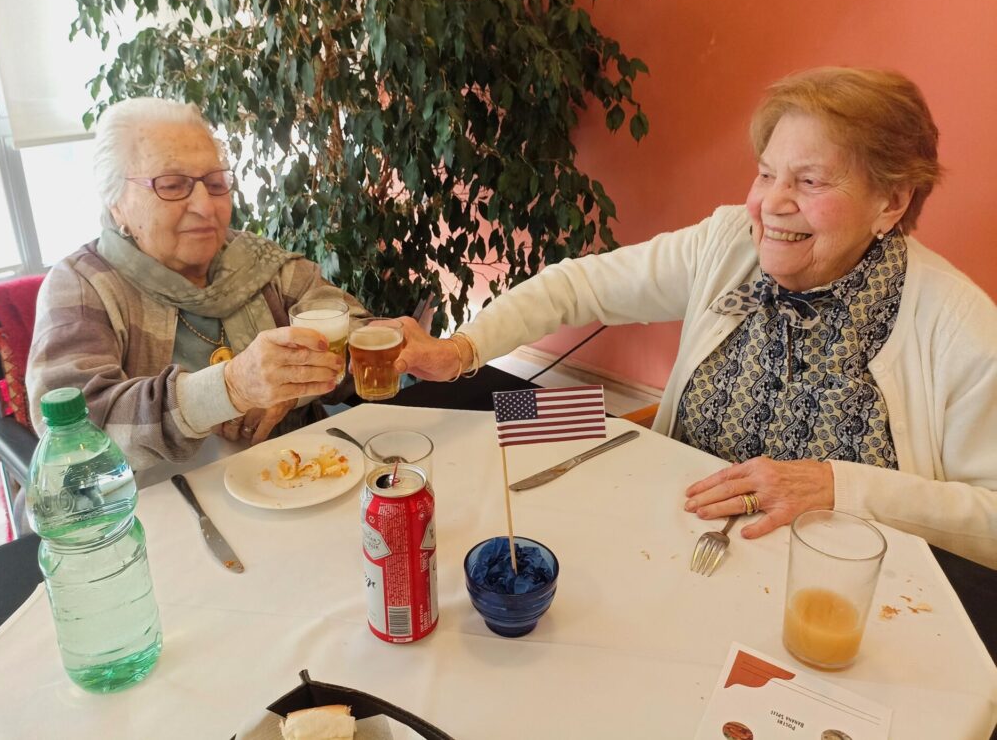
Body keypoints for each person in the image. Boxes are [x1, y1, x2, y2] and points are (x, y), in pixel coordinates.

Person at [396, 67, 997, 568]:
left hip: (832, 600)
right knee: (462, 420)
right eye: (766, 173)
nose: (771, 204)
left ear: (891, 202)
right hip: (663, 537)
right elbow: (579, 286)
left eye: (809, 181)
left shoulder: (959, 326)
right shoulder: (728, 241)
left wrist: (842, 487)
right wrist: (461, 351)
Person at [27, 98, 364, 477]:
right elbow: (79, 437)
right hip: (143, 515)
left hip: (293, 485)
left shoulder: (255, 261)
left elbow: (352, 329)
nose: (206, 206)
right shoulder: (83, 285)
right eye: (173, 185)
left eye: (215, 183)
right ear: (116, 202)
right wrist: (229, 390)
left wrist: (288, 388)